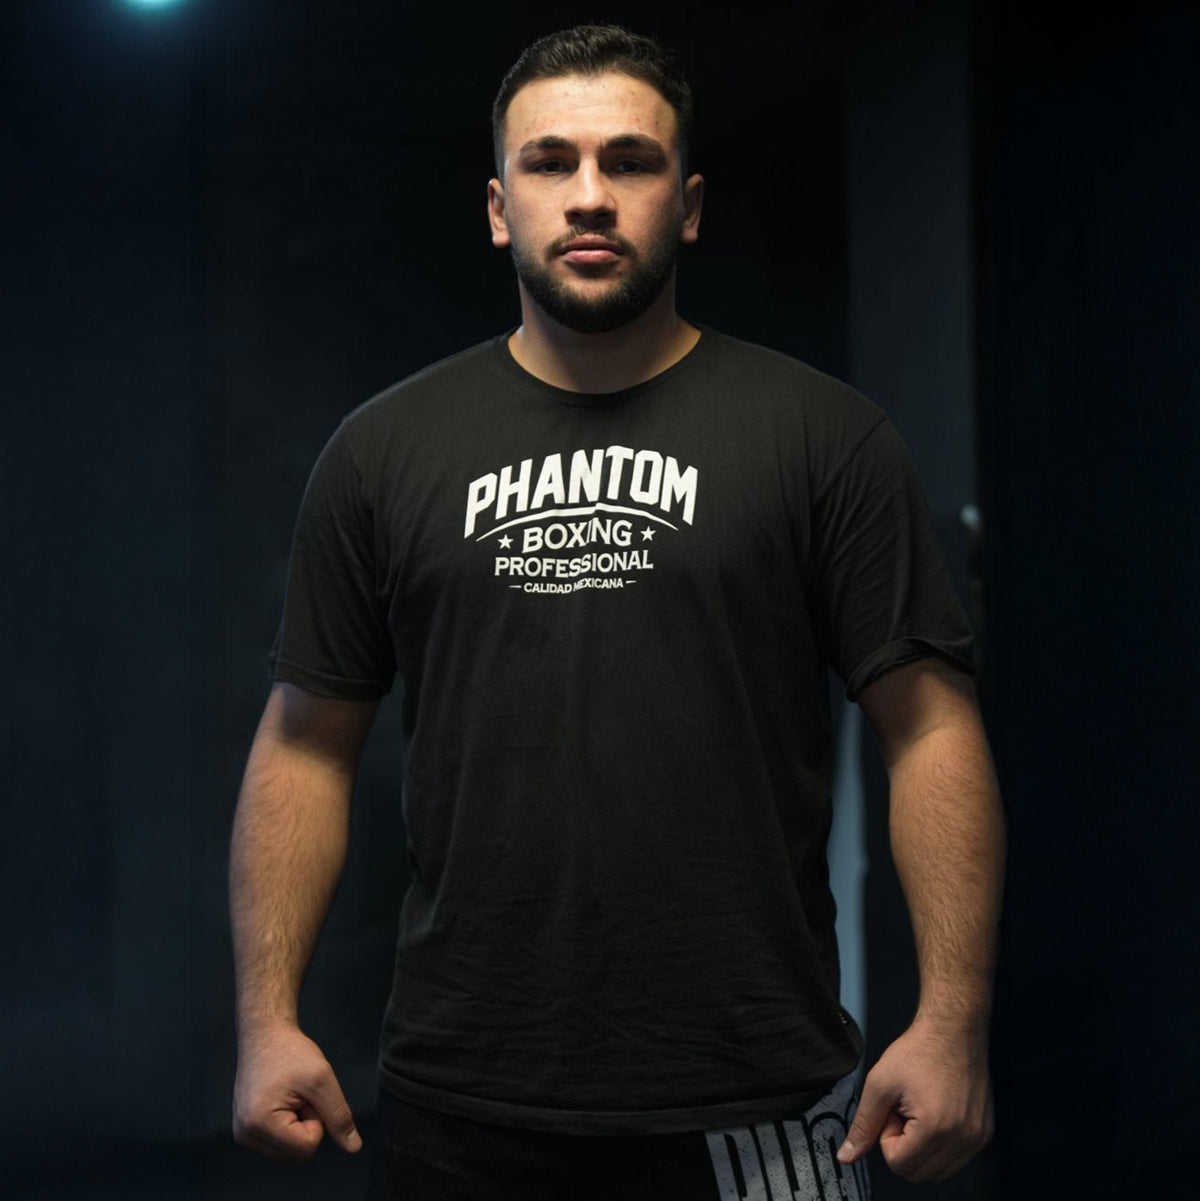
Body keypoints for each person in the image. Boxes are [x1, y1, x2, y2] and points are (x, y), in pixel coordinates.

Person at [229, 23, 1006, 1201]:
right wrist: (264, 1020)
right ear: (501, 209)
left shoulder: (821, 437)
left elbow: (930, 728)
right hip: (463, 1096)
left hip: (762, 1095)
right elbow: (303, 746)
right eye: (550, 163)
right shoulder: (383, 451)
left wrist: (952, 1019)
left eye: (629, 161)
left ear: (685, 206)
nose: (589, 194)